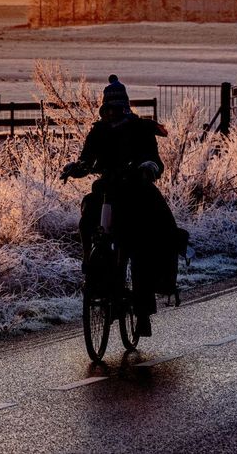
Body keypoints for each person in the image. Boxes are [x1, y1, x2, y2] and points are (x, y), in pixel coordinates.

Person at [61, 75, 176, 337]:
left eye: (115, 108)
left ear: (124, 107)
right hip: (107, 192)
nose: (110, 113)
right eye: (107, 109)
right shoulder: (98, 131)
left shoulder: (141, 129)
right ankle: (92, 269)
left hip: (136, 191)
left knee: (142, 245)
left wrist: (149, 168)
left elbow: (154, 160)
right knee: (88, 217)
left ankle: (143, 311)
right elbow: (87, 160)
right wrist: (76, 168)